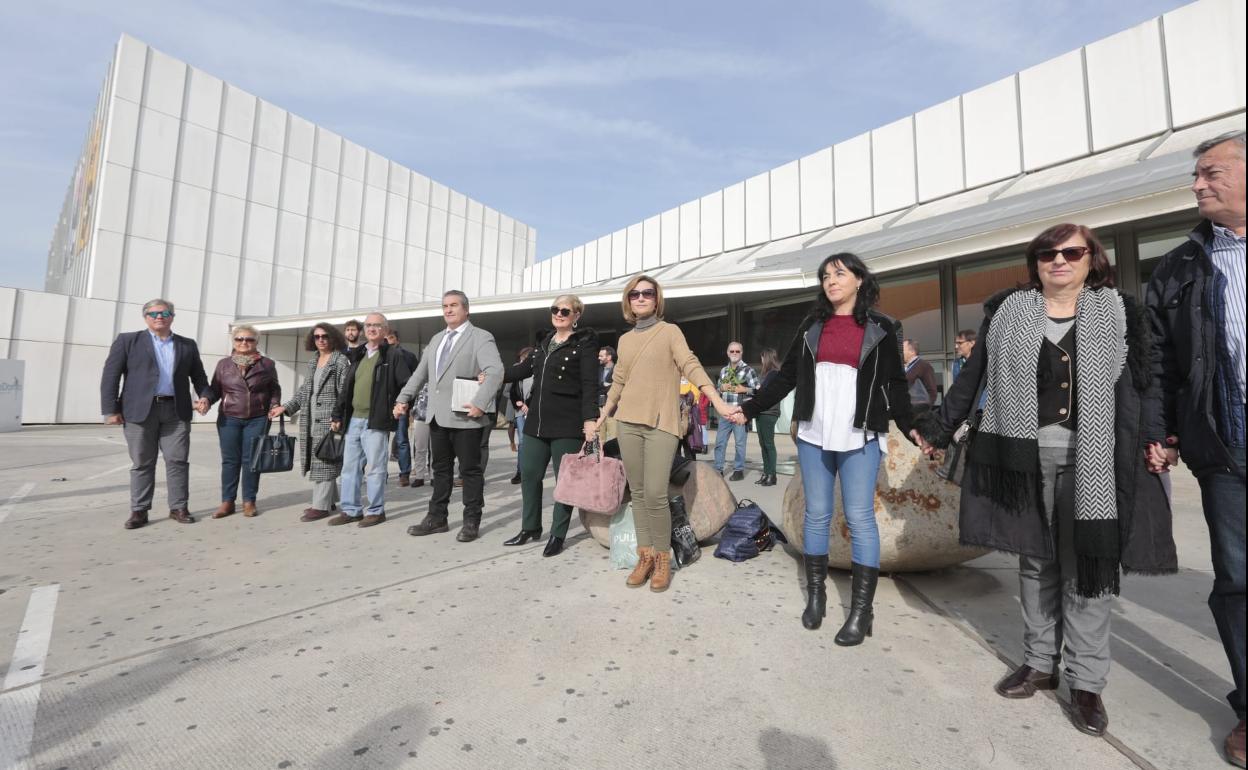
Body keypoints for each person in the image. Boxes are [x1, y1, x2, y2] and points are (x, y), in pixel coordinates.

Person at [916, 223, 1176, 739]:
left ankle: (1086, 681)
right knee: (1035, 560)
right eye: (1047, 253)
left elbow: (1148, 383)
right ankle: (1039, 661)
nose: (1059, 260)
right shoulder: (1007, 313)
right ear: (1035, 262)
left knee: (1088, 567)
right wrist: (939, 429)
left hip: (1101, 455)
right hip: (1024, 454)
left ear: (1091, 259)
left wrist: (1156, 437)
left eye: (1071, 252)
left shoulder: (1123, 313)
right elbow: (973, 379)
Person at [734, 254, 918, 645]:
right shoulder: (811, 325)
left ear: (859, 280)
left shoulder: (883, 327)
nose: (831, 281)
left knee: (860, 519)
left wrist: (915, 426)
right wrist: (749, 408)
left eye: (840, 273)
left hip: (860, 434)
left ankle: (861, 611)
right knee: (816, 515)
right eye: (825, 276)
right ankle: (816, 596)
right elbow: (786, 377)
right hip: (815, 432)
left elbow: (895, 385)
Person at [1145, 130, 1246, 767]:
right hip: (1227, 443)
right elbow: (1158, 363)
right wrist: (1162, 432)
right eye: (1196, 175)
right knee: (1238, 580)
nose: (1198, 184)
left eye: (1211, 172)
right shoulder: (1179, 266)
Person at [595, 275, 735, 592]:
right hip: (628, 421)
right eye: (635, 294)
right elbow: (617, 382)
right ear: (628, 300)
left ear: (657, 299)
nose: (641, 298)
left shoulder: (670, 331)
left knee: (656, 493)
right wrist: (601, 417)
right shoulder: (625, 340)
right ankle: (643, 556)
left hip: (661, 422)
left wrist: (716, 400)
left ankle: (661, 558)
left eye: (648, 293)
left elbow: (689, 363)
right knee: (639, 493)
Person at [396, 290, 504, 542]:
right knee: (440, 470)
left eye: (454, 305)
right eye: (445, 306)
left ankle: (471, 521)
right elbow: (420, 374)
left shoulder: (480, 337)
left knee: (470, 471)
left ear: (466, 310)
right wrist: (403, 398)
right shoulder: (436, 339)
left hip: (466, 416)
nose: (448, 310)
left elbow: (495, 371)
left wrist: (480, 402)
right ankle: (437, 518)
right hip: (436, 416)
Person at [501, 295, 599, 556]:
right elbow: (522, 370)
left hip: (567, 424)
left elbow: (591, 385)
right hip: (536, 423)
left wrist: (590, 420)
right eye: (555, 309)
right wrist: (492, 374)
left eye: (565, 310)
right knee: (529, 475)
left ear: (576, 315)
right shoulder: (544, 342)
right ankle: (530, 527)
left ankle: (557, 534)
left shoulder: (584, 345)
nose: (559, 313)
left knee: (563, 482)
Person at [100, 298, 210, 530]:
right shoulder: (128, 341)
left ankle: (179, 507)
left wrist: (205, 396)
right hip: (139, 412)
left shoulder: (187, 345)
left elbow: (199, 376)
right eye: (153, 313)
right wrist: (110, 410)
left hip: (176, 411)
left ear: (172, 316)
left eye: (165, 313)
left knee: (178, 460)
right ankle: (139, 510)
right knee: (142, 462)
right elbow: (111, 376)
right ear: (145, 317)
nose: (159, 317)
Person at [327, 313, 414, 528]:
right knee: (350, 467)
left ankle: (376, 511)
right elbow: (347, 387)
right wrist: (338, 414)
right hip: (353, 420)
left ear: (385, 330)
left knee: (375, 468)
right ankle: (351, 510)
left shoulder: (393, 355)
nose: (372, 329)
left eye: (377, 325)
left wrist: (401, 404)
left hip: (376, 421)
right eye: (368, 325)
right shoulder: (358, 354)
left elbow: (407, 383)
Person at [269, 322, 351, 521]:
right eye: (317, 337)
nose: (321, 340)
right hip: (310, 419)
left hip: (330, 420)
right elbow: (305, 391)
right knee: (323, 458)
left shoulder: (340, 360)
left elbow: (345, 393)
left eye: (325, 336)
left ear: (333, 338)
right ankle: (329, 500)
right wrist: (286, 407)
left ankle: (320, 506)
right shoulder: (314, 360)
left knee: (324, 460)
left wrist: (338, 416)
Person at [203, 324, 281, 519]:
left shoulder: (267, 364)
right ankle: (227, 502)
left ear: (256, 342)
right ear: (233, 341)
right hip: (229, 417)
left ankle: (249, 501)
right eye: (239, 339)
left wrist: (274, 404)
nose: (244, 343)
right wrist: (206, 400)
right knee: (230, 461)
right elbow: (215, 390)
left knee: (252, 461)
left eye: (249, 339)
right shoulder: (223, 364)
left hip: (258, 418)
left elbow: (274, 389)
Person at [714, 341, 759, 480]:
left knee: (740, 443)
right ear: (728, 353)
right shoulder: (723, 371)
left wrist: (744, 389)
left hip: (740, 413)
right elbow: (717, 391)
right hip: (725, 413)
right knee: (720, 443)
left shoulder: (748, 370)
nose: (734, 354)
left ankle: (738, 469)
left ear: (741, 353)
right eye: (732, 351)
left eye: (737, 351)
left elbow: (758, 390)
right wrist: (721, 388)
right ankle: (718, 470)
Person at [385, 330, 419, 486]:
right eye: (385, 339)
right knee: (378, 440)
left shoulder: (408, 357)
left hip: (400, 403)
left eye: (390, 338)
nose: (388, 342)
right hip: (381, 405)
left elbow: (415, 381)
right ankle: (379, 473)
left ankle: (404, 474)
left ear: (397, 340)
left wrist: (408, 404)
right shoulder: (377, 354)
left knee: (402, 439)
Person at [750, 347, 782, 486]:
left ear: (767, 358)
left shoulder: (774, 374)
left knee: (769, 444)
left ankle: (772, 475)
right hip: (760, 412)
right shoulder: (764, 374)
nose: (761, 360)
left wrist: (750, 390)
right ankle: (766, 472)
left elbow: (766, 392)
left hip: (769, 413)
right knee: (763, 444)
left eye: (762, 357)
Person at [508, 347, 535, 485]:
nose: (521, 361)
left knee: (535, 443)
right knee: (523, 442)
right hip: (520, 412)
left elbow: (537, 391)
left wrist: (529, 405)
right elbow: (513, 391)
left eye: (523, 358)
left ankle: (532, 471)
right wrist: (519, 404)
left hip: (534, 411)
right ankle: (520, 471)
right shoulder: (518, 371)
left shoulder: (538, 371)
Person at [903, 339, 937, 412]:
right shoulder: (902, 368)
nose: (900, 352)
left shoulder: (924, 366)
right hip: (903, 413)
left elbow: (932, 391)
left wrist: (923, 412)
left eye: (902, 349)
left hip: (917, 414)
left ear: (912, 351)